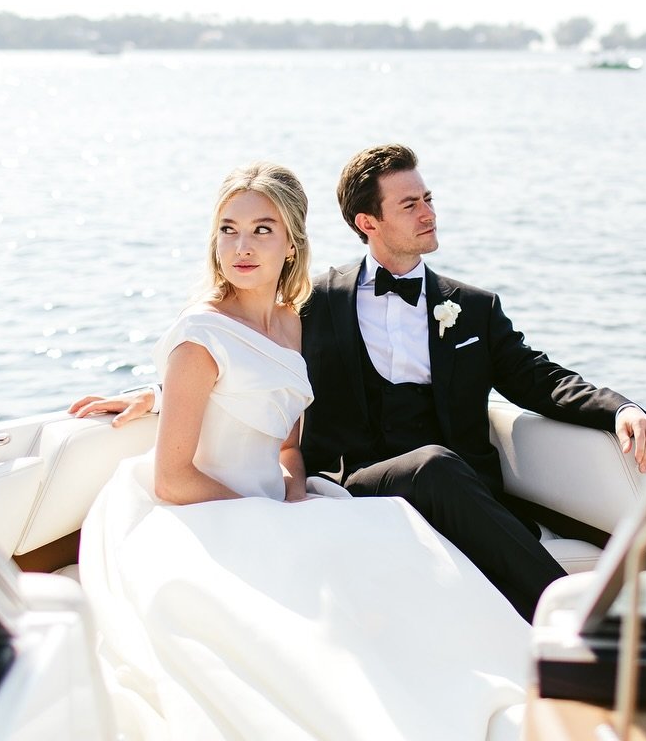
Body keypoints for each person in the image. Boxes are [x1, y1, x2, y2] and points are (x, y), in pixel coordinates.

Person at [71, 162, 530, 741]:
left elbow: (287, 441)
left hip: (279, 500)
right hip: (203, 511)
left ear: (291, 243)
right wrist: (162, 395)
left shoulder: (295, 323)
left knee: (391, 552)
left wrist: (292, 486)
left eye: (262, 230)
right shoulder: (198, 334)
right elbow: (172, 479)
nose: (241, 245)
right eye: (228, 229)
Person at [299, 143, 646, 621]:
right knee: (434, 466)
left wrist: (619, 409)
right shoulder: (316, 301)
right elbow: (255, 357)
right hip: (356, 484)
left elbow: (537, 378)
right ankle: (577, 623)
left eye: (428, 198)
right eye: (410, 205)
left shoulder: (473, 308)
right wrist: (166, 389)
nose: (428, 213)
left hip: (459, 489)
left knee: (441, 469)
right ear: (368, 222)